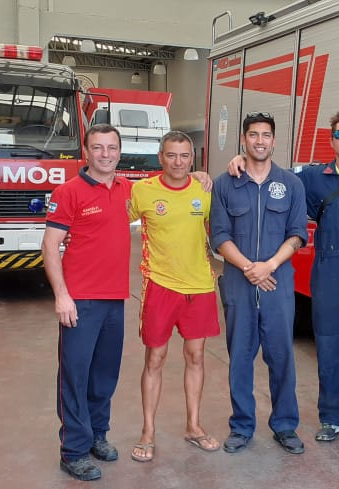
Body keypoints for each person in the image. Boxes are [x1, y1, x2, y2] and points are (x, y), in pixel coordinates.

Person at [229, 109, 339, 448]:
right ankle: (331, 419)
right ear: (331, 140)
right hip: (329, 272)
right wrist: (241, 160)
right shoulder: (311, 177)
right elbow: (272, 175)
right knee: (330, 346)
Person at [210, 112, 308, 455]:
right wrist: (249, 268)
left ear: (274, 141)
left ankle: (285, 425)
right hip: (239, 284)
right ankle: (241, 426)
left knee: (281, 358)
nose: (260, 141)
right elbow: (219, 236)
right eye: (253, 135)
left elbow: (297, 234)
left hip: (277, 284)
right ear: (244, 139)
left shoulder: (291, 184)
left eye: (266, 135)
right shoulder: (225, 184)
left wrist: (269, 266)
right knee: (240, 357)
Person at [42, 123, 131, 481]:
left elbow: (172, 180)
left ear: (120, 152)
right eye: (98, 147)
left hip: (115, 299)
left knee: (104, 375)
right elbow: (50, 246)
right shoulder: (68, 192)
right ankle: (74, 451)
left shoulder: (128, 189)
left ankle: (97, 435)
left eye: (111, 148)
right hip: (80, 300)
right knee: (75, 376)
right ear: (86, 151)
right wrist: (62, 295)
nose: (105, 154)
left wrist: (201, 175)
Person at [126, 131, 221, 463]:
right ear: (160, 157)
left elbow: (222, 229)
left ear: (193, 158)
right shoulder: (143, 191)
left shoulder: (204, 190)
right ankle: (148, 432)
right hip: (159, 286)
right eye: (171, 155)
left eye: (184, 156)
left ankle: (193, 426)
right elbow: (112, 219)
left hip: (200, 287)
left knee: (196, 357)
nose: (178, 162)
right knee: (155, 359)